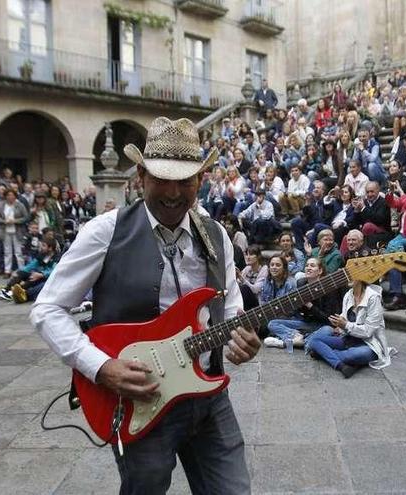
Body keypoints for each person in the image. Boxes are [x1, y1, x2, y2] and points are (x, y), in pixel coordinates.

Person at [31, 117, 260, 492]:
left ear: (201, 179)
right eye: (162, 179)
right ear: (140, 175)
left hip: (209, 397)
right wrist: (101, 367)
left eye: (184, 181)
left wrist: (243, 336)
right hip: (140, 398)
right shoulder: (105, 231)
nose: (173, 192)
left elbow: (230, 308)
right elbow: (47, 309)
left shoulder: (217, 234)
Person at [307, 280, 392, 378]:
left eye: (351, 275)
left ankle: (325, 354)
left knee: (357, 354)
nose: (347, 278)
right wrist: (338, 323)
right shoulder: (348, 295)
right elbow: (345, 318)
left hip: (368, 344)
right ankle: (341, 365)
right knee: (313, 340)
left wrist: (345, 325)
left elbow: (368, 332)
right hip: (348, 340)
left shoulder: (374, 297)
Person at [265, 257, 340, 349]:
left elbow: (329, 319)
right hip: (304, 322)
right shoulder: (301, 283)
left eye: (312, 266)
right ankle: (299, 338)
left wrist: (310, 305)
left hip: (320, 325)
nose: (308, 268)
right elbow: (300, 311)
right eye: (307, 265)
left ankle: (286, 342)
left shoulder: (328, 288)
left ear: (320, 271)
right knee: (272, 324)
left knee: (327, 331)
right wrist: (296, 304)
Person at [0, 189, 28, 277]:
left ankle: (22, 270)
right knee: (7, 252)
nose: (10, 197)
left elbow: (25, 217)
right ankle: (7, 271)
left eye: (12, 195)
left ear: (15, 196)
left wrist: (15, 221)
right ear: (5, 196)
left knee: (18, 252)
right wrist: (4, 221)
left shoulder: (20, 205)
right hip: (5, 231)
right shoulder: (2, 205)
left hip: (17, 231)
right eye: (8, 195)